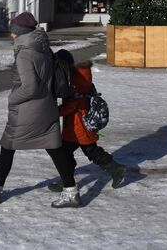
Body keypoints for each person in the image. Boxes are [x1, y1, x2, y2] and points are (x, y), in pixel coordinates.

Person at [0, 12, 81, 208]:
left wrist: (12, 98)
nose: (11, 34)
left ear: (19, 32)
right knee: (54, 148)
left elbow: (30, 87)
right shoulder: (44, 48)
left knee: (8, 147)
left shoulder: (24, 53)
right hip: (46, 107)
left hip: (27, 111)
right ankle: (71, 192)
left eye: (13, 31)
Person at [48, 50, 125, 193]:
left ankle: (116, 169)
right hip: (78, 126)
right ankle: (66, 180)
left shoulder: (76, 80)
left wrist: (55, 112)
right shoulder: (81, 76)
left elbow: (74, 104)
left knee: (87, 152)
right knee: (72, 153)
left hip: (79, 127)